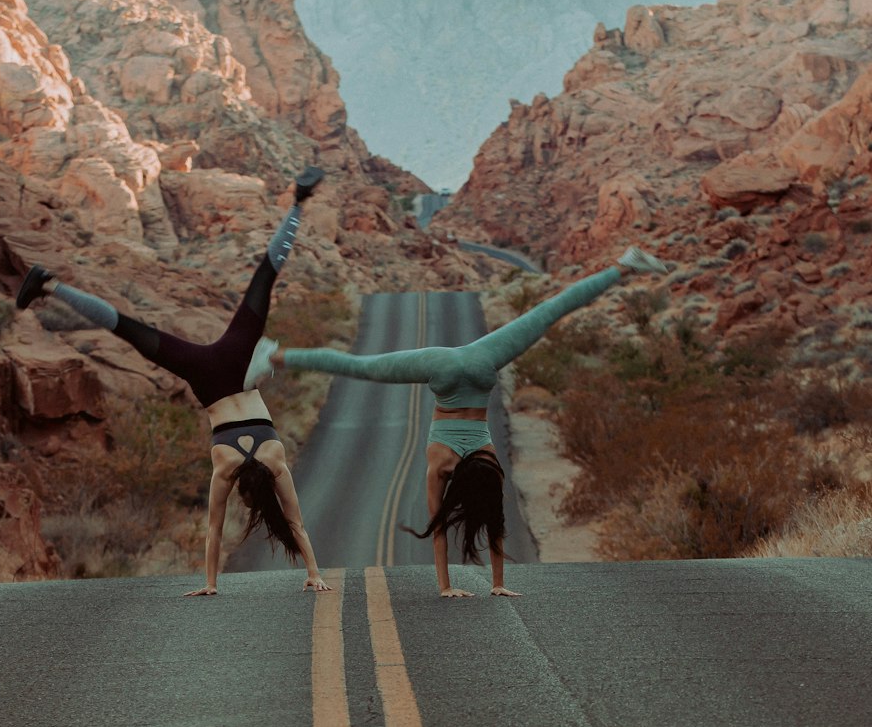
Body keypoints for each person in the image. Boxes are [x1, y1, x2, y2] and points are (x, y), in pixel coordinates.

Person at [249, 246, 669, 598]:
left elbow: (485, 523)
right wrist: (465, 586)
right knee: (550, 310)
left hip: (477, 365)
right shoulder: (445, 463)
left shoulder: (486, 462)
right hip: (457, 369)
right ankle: (624, 265)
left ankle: (275, 354)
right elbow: (447, 529)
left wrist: (482, 585)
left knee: (546, 312)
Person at [15, 165, 331, 598]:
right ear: (246, 493)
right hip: (205, 377)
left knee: (264, 276)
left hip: (237, 365)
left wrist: (316, 571)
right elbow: (214, 530)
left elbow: (296, 521)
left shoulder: (275, 458)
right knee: (128, 329)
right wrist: (210, 584)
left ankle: (297, 201)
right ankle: (48, 286)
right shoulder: (224, 465)